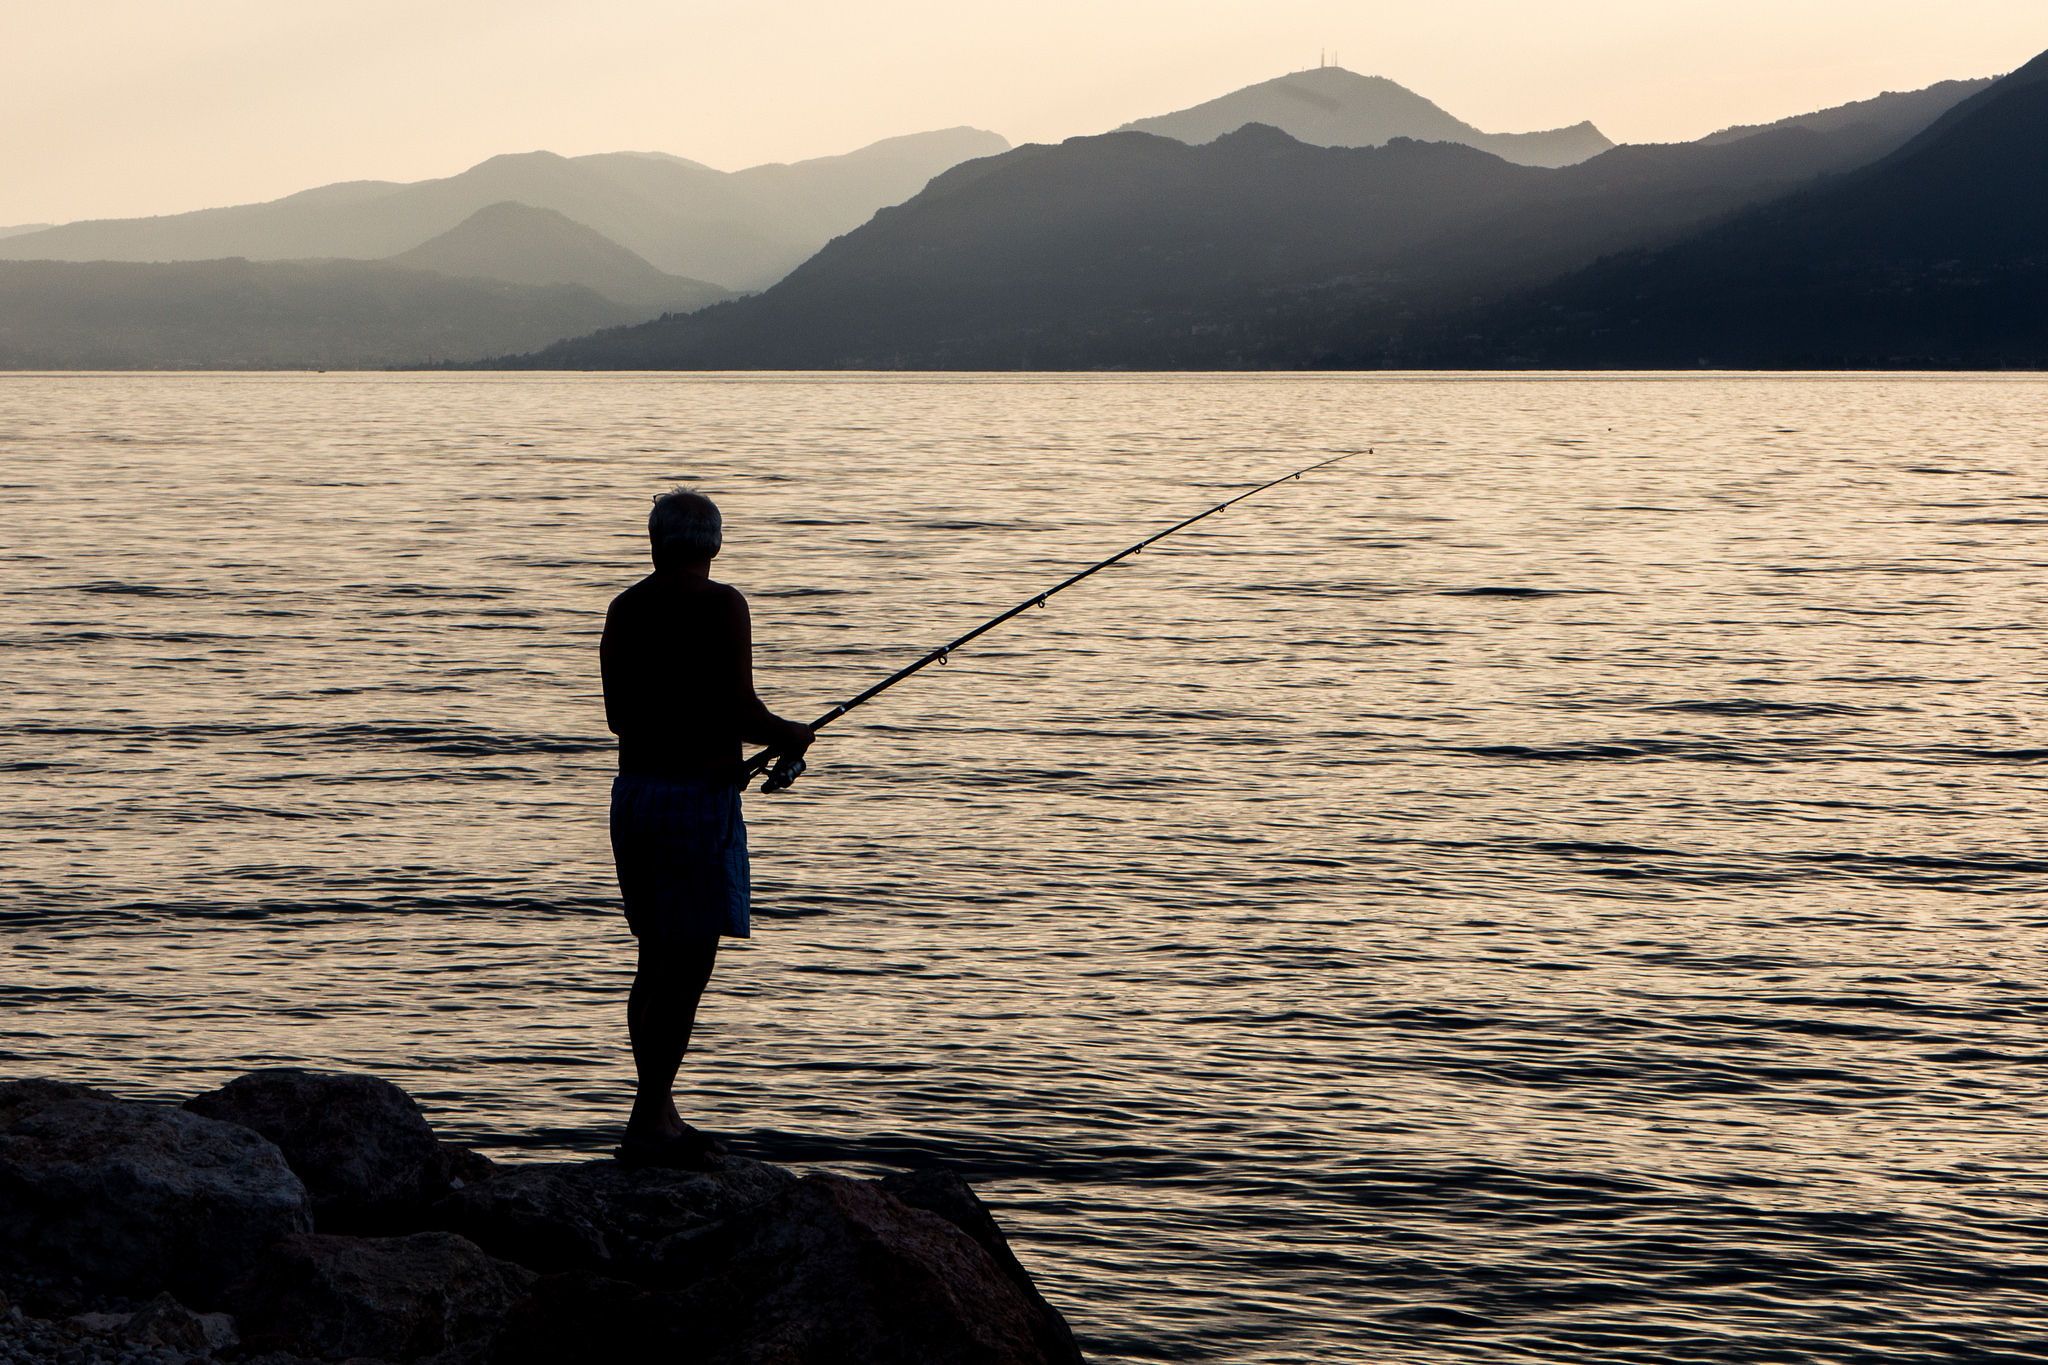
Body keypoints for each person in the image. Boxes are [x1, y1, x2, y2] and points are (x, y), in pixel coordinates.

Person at [600, 487, 812, 1170]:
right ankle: (649, 1119)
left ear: (656, 541)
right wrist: (792, 733)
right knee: (687, 966)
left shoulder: (625, 608)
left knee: (653, 961)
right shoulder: (723, 605)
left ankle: (657, 1110)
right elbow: (741, 709)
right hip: (695, 802)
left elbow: (619, 716)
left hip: (635, 795)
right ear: (713, 545)